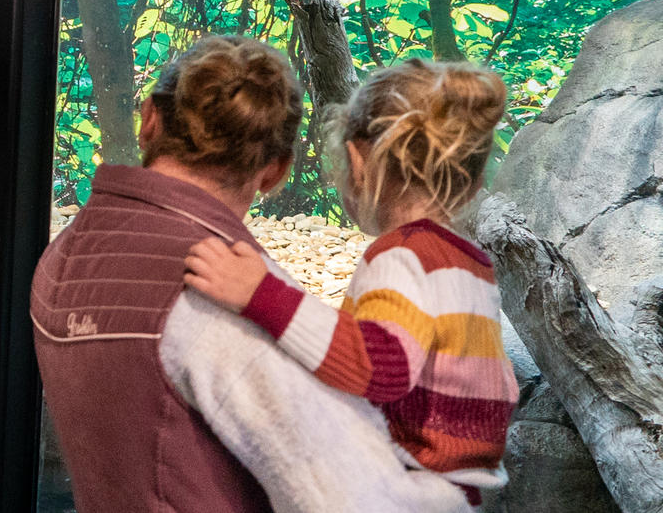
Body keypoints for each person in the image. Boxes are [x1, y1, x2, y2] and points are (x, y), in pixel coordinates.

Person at [31, 36, 471, 513]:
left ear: (149, 120)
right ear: (276, 171)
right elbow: (355, 499)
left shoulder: (62, 255)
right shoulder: (218, 295)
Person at [184, 59, 518, 507]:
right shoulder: (471, 262)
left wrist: (261, 294)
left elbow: (384, 364)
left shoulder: (402, 255)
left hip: (404, 486)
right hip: (460, 491)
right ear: (475, 181)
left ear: (358, 161)